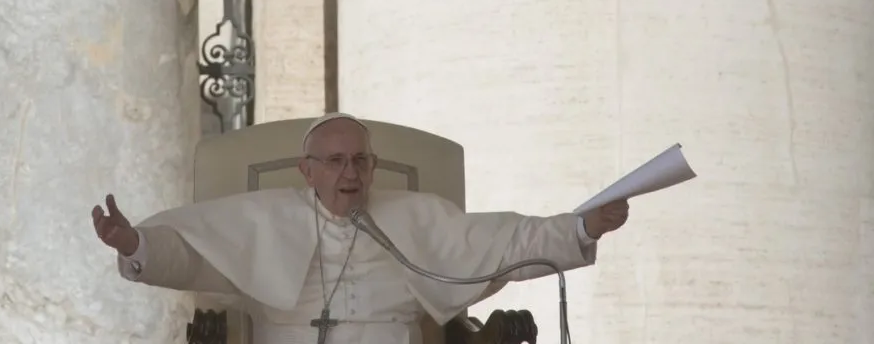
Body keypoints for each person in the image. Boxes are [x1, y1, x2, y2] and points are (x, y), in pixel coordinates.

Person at [92, 113, 630, 344]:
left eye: (360, 161)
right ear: (307, 171)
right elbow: (190, 251)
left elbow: (508, 241)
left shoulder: (415, 217)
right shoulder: (259, 219)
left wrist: (582, 227)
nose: (350, 173)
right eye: (334, 162)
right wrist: (135, 242)